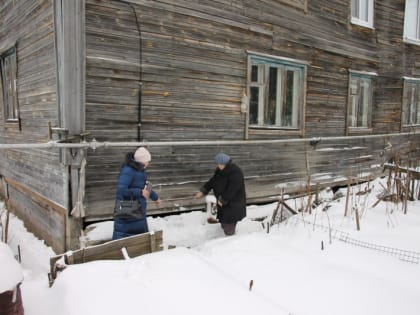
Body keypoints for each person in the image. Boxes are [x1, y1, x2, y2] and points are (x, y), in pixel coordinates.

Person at [112, 147, 161, 240]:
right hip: (127, 208)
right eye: (147, 161)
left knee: (138, 238)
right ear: (141, 161)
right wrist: (139, 192)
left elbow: (145, 188)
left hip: (137, 209)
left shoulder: (140, 171)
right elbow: (121, 190)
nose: (148, 163)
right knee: (125, 237)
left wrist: (156, 198)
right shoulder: (128, 171)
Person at [195, 153, 246, 236]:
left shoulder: (235, 172)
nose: (218, 165)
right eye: (218, 164)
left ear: (225, 163)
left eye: (220, 164)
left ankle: (231, 240)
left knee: (228, 222)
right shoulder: (220, 171)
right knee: (224, 220)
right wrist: (203, 191)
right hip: (224, 202)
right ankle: (228, 233)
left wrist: (223, 199)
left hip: (233, 202)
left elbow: (233, 189)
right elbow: (212, 181)